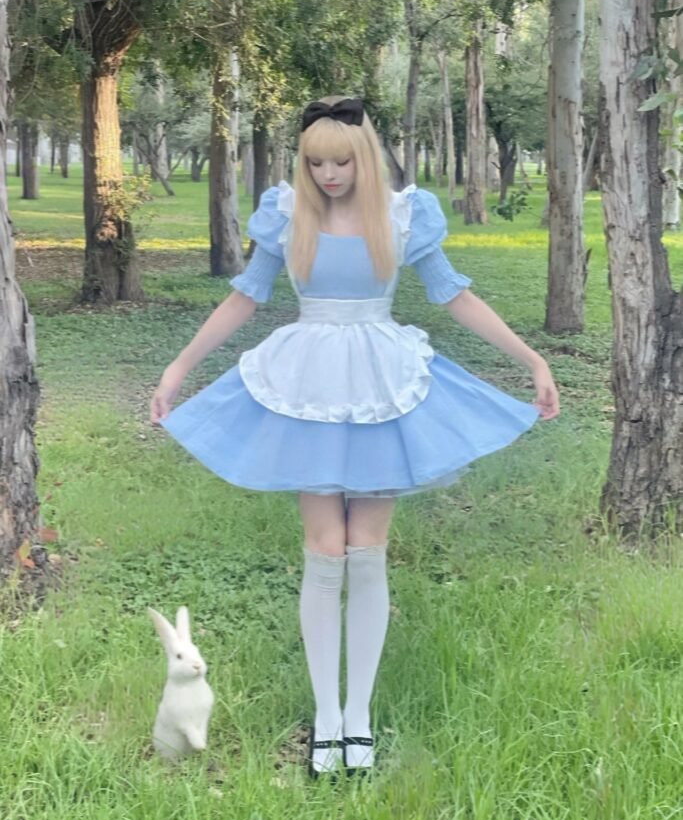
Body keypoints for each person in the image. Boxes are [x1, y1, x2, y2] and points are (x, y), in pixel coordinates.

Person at [150, 96, 560, 779]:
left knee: (368, 551)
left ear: (364, 157)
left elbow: (453, 293)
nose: (328, 174)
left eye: (341, 160)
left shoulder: (402, 215)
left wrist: (532, 359)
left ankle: (357, 717)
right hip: (308, 381)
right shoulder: (287, 214)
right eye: (315, 162)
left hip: (381, 379)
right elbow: (244, 296)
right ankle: (326, 718)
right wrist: (178, 368)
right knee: (324, 548)